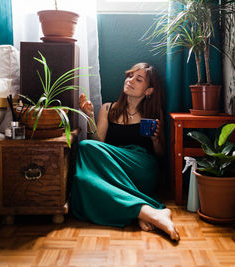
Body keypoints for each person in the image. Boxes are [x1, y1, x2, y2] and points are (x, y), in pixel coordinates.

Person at [70, 62, 180, 241]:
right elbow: (98, 144)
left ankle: (137, 211)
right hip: (113, 170)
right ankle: (146, 212)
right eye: (130, 76)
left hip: (142, 168)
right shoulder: (107, 109)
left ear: (148, 90)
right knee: (82, 179)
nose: (131, 80)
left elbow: (160, 154)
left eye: (139, 79)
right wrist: (89, 117)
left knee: (84, 148)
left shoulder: (152, 113)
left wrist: (155, 139)